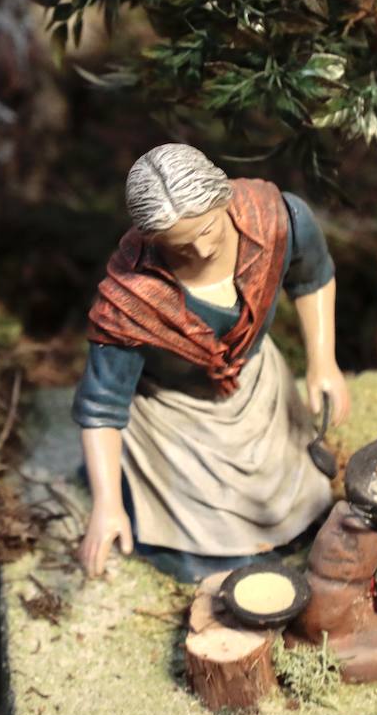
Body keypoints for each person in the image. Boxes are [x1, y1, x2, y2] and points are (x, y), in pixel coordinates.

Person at [71, 143, 351, 582]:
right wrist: (107, 505)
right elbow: (102, 408)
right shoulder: (129, 302)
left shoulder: (278, 219)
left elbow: (313, 276)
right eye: (180, 247)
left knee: (291, 494)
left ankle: (291, 523)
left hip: (258, 386)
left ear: (223, 198)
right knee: (202, 522)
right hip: (176, 418)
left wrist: (323, 362)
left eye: (208, 231)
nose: (201, 252)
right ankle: (204, 552)